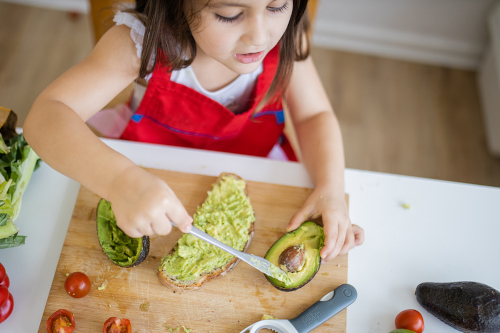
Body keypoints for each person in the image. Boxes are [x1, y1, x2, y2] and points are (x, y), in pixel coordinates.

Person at [24, 0, 364, 262]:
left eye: (277, 6)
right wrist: (119, 180)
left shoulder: (286, 37)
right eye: (230, 14)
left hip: (253, 167)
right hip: (146, 179)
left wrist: (332, 188)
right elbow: (45, 117)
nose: (261, 35)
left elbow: (314, 115)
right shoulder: (140, 43)